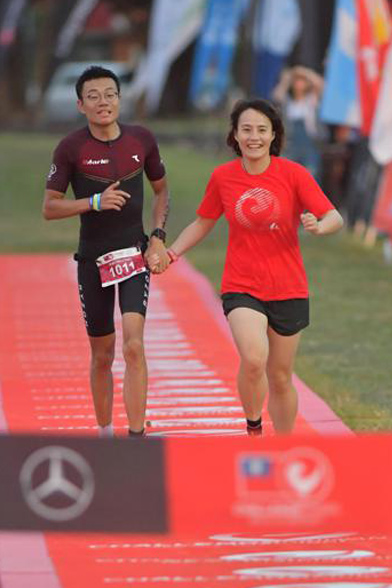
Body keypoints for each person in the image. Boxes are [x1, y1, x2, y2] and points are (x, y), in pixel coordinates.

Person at [152, 99, 343, 436]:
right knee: (254, 359)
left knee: (281, 376)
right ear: (235, 136)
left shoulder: (294, 174)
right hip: (242, 284)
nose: (253, 137)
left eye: (261, 130)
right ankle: (254, 429)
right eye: (246, 130)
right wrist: (172, 252)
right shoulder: (223, 177)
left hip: (288, 286)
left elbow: (334, 217)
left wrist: (318, 227)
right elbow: (203, 222)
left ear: (273, 136)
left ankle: (285, 447)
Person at [43, 65, 170, 438]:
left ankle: (135, 437)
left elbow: (161, 190)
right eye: (94, 97)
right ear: (81, 105)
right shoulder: (71, 148)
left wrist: (158, 236)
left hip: (134, 255)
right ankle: (104, 434)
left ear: (120, 98)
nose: (104, 103)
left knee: (133, 346)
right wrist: (93, 201)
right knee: (102, 355)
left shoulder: (141, 140)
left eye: (110, 94)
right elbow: (50, 207)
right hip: (92, 260)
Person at [271, 65, 324, 180]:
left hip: (309, 146)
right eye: (297, 81)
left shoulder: (311, 100)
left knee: (309, 178)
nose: (299, 84)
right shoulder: (288, 103)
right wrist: (288, 78)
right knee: (285, 177)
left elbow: (320, 83)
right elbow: (277, 96)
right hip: (291, 144)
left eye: (302, 81)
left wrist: (304, 72)